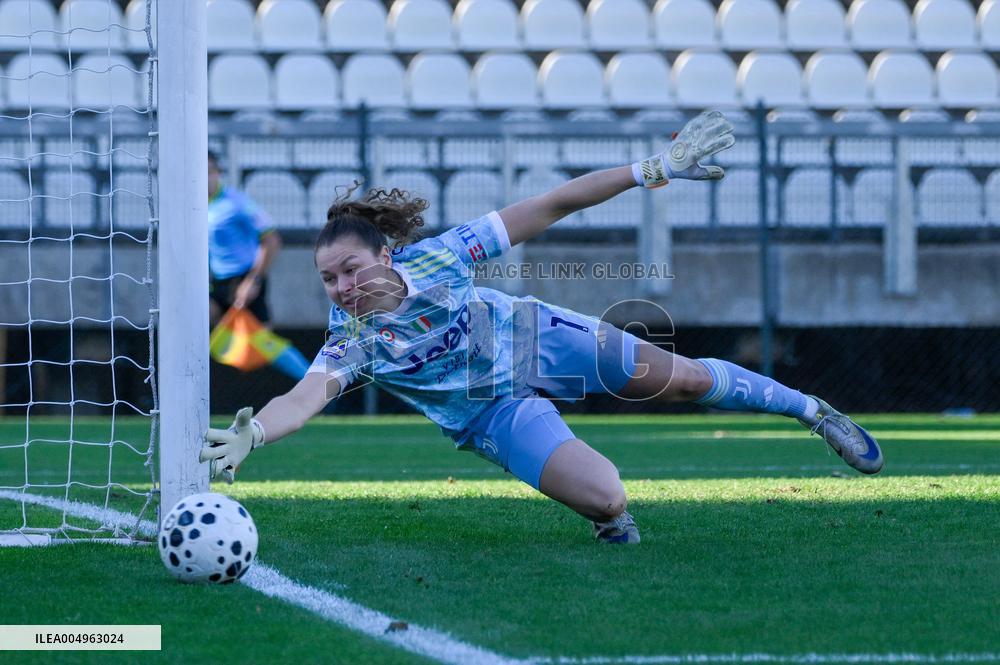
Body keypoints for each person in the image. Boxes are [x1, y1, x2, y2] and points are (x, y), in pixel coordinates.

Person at [201, 111, 883, 544]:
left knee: (684, 379)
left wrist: (652, 170)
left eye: (350, 269)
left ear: (384, 254)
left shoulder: (443, 254)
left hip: (536, 339)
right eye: (328, 280)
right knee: (607, 496)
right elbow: (305, 395)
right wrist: (257, 429)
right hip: (491, 413)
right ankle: (611, 526)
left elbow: (553, 203)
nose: (342, 288)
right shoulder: (352, 338)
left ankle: (813, 411)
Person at [207, 151, 309, 380]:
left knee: (265, 343)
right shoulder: (194, 208)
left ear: (217, 173)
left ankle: (318, 386)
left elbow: (271, 239)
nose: (204, 178)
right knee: (192, 325)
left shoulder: (236, 202)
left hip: (244, 280)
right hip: (217, 282)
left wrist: (253, 281)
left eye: (208, 172)